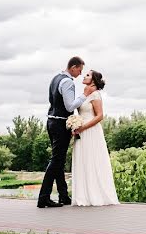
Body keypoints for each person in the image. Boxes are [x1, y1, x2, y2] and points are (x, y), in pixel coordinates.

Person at [37, 56, 86, 208]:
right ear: (73, 67)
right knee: (56, 161)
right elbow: (70, 106)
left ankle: (63, 196)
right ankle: (43, 198)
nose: (80, 73)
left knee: (58, 160)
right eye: (79, 69)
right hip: (59, 124)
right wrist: (84, 96)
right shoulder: (68, 82)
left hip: (51, 122)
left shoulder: (55, 78)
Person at [70, 70, 120, 206]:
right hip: (80, 130)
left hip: (91, 131)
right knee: (82, 160)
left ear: (93, 80)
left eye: (87, 75)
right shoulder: (84, 94)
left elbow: (99, 116)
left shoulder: (96, 94)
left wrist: (83, 127)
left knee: (93, 160)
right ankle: (83, 196)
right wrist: (74, 124)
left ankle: (96, 195)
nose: (84, 76)